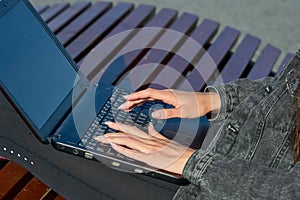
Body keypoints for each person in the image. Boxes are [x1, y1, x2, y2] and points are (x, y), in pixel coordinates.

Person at [0, 50, 299, 199]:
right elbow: (289, 88)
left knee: (24, 128)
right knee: (63, 103)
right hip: (233, 144)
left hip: (217, 187)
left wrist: (184, 161)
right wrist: (215, 100)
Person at [95, 49, 300, 199]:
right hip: (231, 154)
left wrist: (189, 161)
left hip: (224, 179)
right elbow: (286, 89)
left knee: (68, 158)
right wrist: (211, 100)